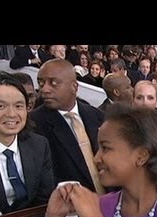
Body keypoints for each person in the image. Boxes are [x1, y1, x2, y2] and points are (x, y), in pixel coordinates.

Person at [0, 71, 54, 215]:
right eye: (1, 106)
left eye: (19, 106)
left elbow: (45, 198)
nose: (12, 114)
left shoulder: (39, 145)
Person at [29, 58, 105, 193]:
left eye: (54, 83)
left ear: (74, 87)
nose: (44, 89)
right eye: (41, 83)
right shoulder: (33, 124)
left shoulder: (97, 115)